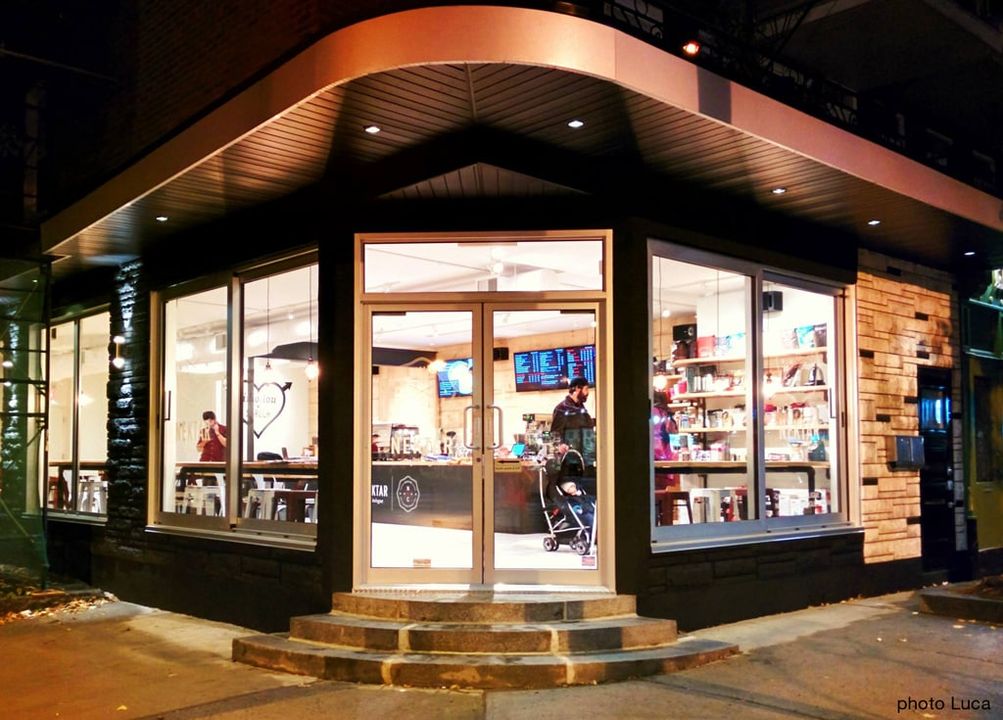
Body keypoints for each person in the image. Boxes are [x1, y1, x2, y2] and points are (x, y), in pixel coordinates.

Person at [550, 376, 594, 444]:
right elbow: (555, 434)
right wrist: (561, 445)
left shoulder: (580, 407)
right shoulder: (562, 408)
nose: (587, 393)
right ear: (577, 389)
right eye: (586, 389)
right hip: (570, 450)